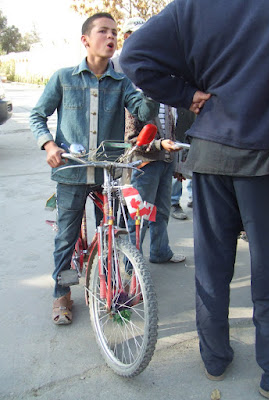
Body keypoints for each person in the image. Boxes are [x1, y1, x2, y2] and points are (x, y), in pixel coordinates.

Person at [120, 0, 269, 398]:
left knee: (212, 267)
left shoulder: (191, 6)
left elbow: (132, 57)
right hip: (268, 157)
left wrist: (186, 93)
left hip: (209, 153)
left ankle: (215, 360)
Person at [30, 12, 159, 325]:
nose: (111, 37)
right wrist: (49, 146)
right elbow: (37, 116)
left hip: (107, 174)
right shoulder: (63, 78)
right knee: (66, 237)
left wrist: (153, 85)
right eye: (103, 31)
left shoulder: (122, 82)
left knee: (113, 233)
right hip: (71, 173)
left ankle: (111, 287)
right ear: (86, 40)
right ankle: (61, 294)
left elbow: (142, 111)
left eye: (115, 32)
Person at [114, 17, 186, 264]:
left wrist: (174, 162)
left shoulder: (163, 84)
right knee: (139, 214)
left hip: (164, 161)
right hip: (143, 165)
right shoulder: (131, 88)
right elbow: (132, 139)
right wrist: (158, 146)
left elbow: (171, 125)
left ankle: (160, 252)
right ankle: (131, 262)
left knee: (161, 212)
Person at [171, 108, 195, 220]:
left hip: (191, 125)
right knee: (177, 167)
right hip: (177, 131)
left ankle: (194, 197)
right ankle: (174, 202)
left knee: (194, 164)